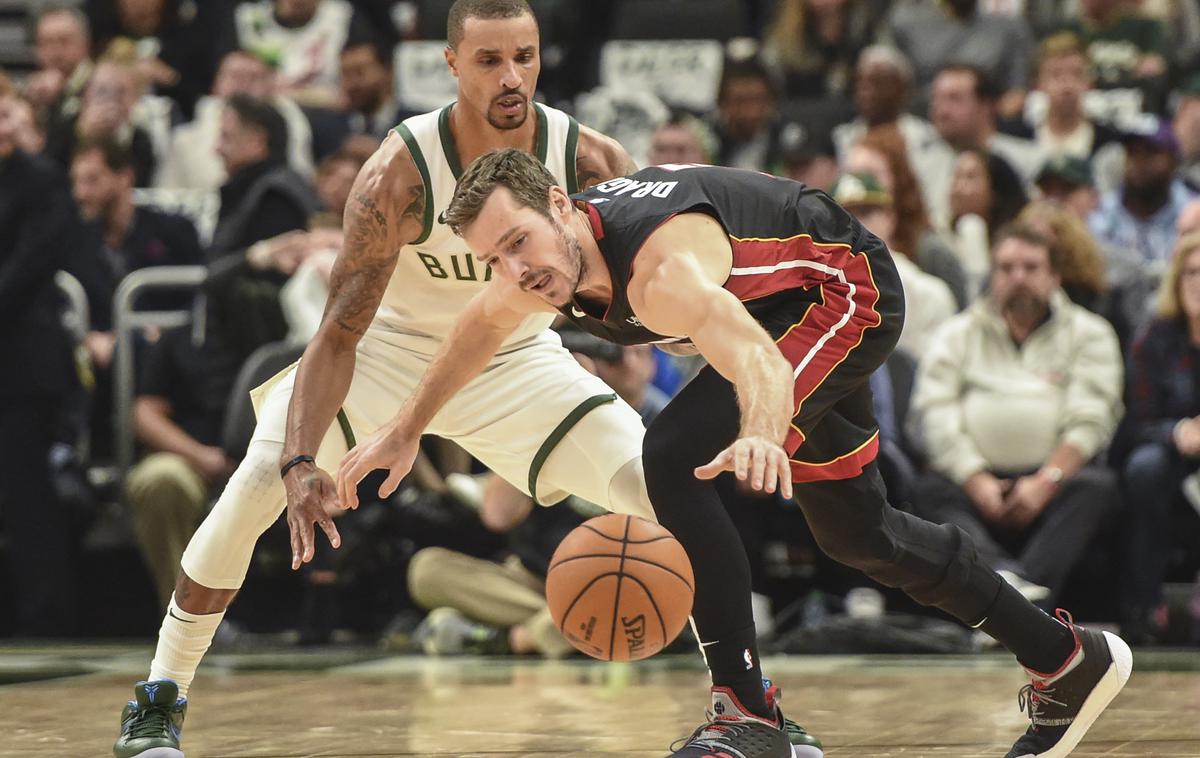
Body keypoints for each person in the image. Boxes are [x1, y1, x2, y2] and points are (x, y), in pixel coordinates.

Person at [109, 4, 797, 758]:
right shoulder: (397, 174)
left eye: (525, 57)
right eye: (490, 60)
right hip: (384, 353)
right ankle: (158, 698)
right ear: (450, 64)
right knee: (252, 490)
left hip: (515, 360)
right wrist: (302, 460)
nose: (512, 77)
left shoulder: (591, 159)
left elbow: (642, 281)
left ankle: (748, 708)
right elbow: (337, 331)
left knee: (665, 491)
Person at [338, 149, 1133, 758]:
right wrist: (407, 428)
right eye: (495, 258)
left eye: (518, 243)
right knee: (860, 535)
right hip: (787, 307)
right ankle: (1063, 658)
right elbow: (477, 327)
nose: (516, 271)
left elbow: (750, 353)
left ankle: (747, 713)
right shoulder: (541, 261)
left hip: (842, 294)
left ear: (561, 204)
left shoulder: (659, 268)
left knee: (673, 455)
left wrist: (759, 429)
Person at [911, 223, 1123, 608]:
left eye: (1030, 267)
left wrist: (1047, 480)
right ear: (992, 275)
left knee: (1098, 487)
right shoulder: (956, 334)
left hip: (1054, 482)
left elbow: (1091, 418)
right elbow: (936, 415)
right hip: (974, 483)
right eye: (1006, 268)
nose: (1018, 278)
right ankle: (1011, 588)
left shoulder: (1090, 333)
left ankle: (1010, 603)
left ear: (1055, 276)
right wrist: (976, 480)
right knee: (926, 489)